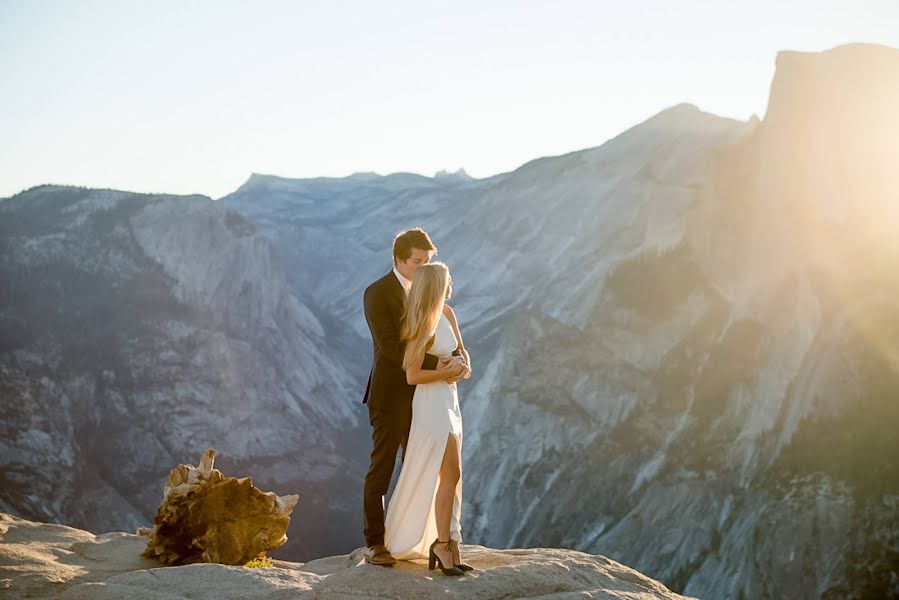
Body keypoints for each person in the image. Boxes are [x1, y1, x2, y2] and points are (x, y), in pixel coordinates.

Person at [361, 228, 469, 568]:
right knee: (383, 467)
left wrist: (455, 366)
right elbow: (391, 348)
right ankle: (377, 544)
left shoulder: (432, 297)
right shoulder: (378, 294)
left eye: (428, 262)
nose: (424, 268)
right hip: (392, 395)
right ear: (398, 260)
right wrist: (442, 364)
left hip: (429, 400)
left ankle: (428, 541)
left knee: (428, 469)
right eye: (417, 262)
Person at [384, 261, 474, 576]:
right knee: (451, 473)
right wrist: (444, 372)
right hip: (430, 405)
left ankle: (449, 543)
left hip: (450, 402)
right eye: (447, 279)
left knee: (452, 475)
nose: (451, 283)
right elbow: (411, 375)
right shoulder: (421, 323)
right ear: (436, 285)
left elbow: (465, 359)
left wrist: (459, 370)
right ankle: (444, 543)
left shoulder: (448, 314)